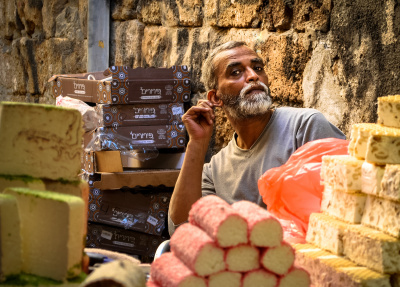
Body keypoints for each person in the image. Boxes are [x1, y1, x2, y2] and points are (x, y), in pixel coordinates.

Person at [167, 41, 346, 235]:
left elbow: (343, 204)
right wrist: (197, 144)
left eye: (258, 68)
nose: (253, 76)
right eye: (235, 72)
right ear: (215, 98)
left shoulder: (304, 127)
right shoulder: (214, 171)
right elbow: (181, 229)